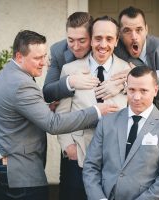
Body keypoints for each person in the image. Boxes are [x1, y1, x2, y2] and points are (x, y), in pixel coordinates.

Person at [0, 30, 118, 200]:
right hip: (18, 172)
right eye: (37, 58)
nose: (43, 63)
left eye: (44, 56)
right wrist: (97, 111)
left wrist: (44, 108)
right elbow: (53, 124)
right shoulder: (20, 83)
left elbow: (20, 109)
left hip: (2, 163)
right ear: (19, 56)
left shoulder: (7, 73)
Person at [56, 16, 130, 200]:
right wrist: (68, 147)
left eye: (109, 39)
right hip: (78, 156)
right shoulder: (69, 70)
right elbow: (61, 113)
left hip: (115, 159)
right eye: (98, 38)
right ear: (91, 39)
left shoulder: (128, 70)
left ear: (116, 41)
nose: (102, 44)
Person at [83, 66, 159, 200]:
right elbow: (91, 166)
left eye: (143, 91)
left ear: (155, 90)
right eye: (131, 90)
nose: (136, 97)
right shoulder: (107, 122)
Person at [114, 6, 159, 127]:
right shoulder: (114, 48)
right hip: (135, 112)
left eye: (139, 30)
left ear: (146, 30)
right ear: (120, 34)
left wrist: (140, 74)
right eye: (127, 30)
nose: (134, 36)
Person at [43, 12, 126, 106]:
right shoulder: (58, 51)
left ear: (91, 38)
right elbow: (47, 93)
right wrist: (70, 81)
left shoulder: (117, 48)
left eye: (82, 40)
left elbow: (140, 71)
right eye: (71, 40)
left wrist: (124, 84)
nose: (76, 47)